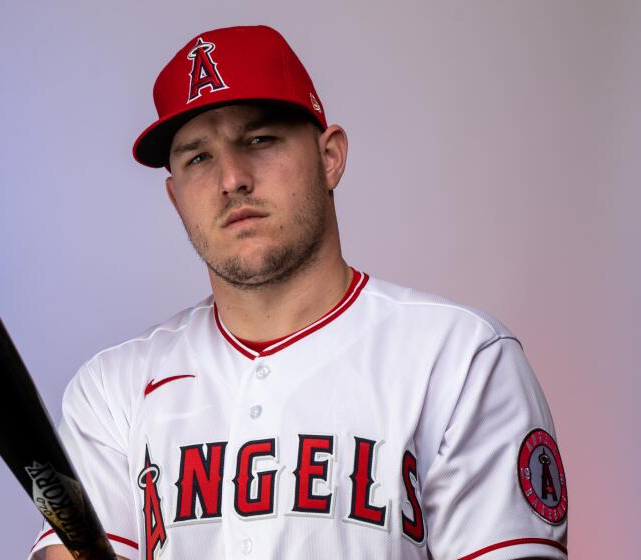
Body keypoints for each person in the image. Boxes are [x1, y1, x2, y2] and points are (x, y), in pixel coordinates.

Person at [29, 25, 568, 560]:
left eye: (259, 140)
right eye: (198, 157)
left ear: (329, 156)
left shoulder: (458, 359)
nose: (232, 179)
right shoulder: (112, 391)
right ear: (175, 197)